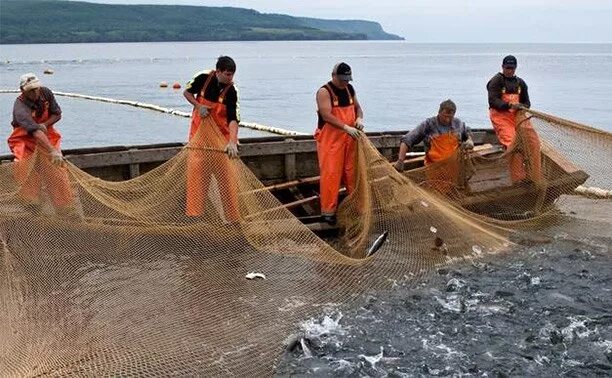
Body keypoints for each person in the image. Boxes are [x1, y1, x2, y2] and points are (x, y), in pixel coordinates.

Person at [8, 73, 75, 215]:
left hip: (47, 135)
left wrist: (44, 125)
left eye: (36, 88)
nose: (35, 92)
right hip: (25, 139)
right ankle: (32, 206)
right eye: (31, 90)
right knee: (24, 168)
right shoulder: (20, 107)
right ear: (22, 90)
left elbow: (57, 114)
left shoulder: (46, 93)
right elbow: (35, 132)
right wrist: (52, 151)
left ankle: (65, 209)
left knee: (56, 171)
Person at [183, 56, 241, 220]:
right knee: (196, 179)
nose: (230, 78)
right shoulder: (202, 77)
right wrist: (198, 105)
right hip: (198, 139)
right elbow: (186, 92)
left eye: (232, 75)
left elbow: (233, 119)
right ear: (218, 71)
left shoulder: (232, 91)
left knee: (227, 181)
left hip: (221, 143)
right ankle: (195, 217)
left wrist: (232, 142)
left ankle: (232, 218)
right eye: (227, 74)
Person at [315, 62, 364, 225]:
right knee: (331, 175)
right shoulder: (324, 91)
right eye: (342, 79)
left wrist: (359, 119)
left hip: (349, 141)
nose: (345, 83)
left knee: (352, 174)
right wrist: (345, 127)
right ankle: (328, 213)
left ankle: (356, 209)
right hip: (331, 141)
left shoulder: (350, 89)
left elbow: (358, 108)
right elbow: (326, 115)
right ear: (333, 75)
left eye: (347, 79)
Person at [393, 100, 473, 193]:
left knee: (453, 193)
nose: (447, 119)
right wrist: (400, 161)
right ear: (439, 112)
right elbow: (407, 140)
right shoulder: (429, 125)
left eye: (450, 117)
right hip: (434, 170)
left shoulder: (458, 124)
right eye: (445, 116)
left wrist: (469, 140)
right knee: (437, 195)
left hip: (453, 170)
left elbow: (467, 133)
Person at [487, 55, 541, 184]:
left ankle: (534, 176)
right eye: (507, 68)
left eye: (512, 68)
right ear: (502, 67)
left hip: (518, 117)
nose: (509, 71)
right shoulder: (495, 81)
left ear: (516, 68)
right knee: (512, 143)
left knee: (534, 142)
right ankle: (518, 179)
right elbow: (493, 101)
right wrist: (509, 105)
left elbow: (527, 103)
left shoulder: (521, 83)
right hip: (501, 117)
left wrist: (521, 107)